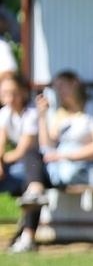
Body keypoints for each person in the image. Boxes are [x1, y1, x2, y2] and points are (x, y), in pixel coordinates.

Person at [0, 71, 46, 252]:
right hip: (19, 166)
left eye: (13, 93)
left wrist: (2, 161)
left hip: (37, 164)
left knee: (31, 185)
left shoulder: (31, 114)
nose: (9, 98)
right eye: (4, 94)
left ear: (23, 93)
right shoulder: (4, 114)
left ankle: (28, 237)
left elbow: (22, 150)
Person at [39, 71, 93, 187]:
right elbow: (48, 145)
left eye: (63, 85)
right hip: (61, 166)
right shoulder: (61, 113)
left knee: (66, 171)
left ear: (75, 83)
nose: (60, 91)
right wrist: (42, 117)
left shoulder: (92, 109)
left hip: (85, 166)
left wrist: (67, 156)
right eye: (57, 88)